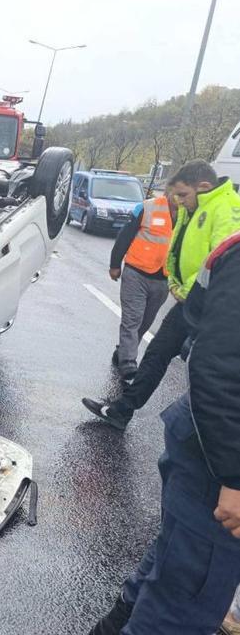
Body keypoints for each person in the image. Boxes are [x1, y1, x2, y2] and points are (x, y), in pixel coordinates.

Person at [89, 231, 240, 635]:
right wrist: (234, 478)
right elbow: (219, 368)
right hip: (218, 462)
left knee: (169, 571)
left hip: (209, 450)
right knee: (183, 606)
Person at [82, 159, 240, 430]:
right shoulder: (198, 205)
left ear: (202, 186)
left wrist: (188, 291)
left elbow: (220, 263)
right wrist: (175, 282)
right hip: (190, 301)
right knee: (157, 353)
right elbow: (179, 249)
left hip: (212, 307)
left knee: (203, 369)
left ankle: (208, 436)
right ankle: (122, 411)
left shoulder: (227, 210)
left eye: (182, 194)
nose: (177, 201)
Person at [107, 193, 177, 381]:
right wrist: (115, 264)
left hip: (163, 279)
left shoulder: (190, 215)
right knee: (133, 319)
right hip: (136, 274)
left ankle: (122, 352)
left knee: (145, 322)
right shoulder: (147, 207)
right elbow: (125, 236)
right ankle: (128, 363)